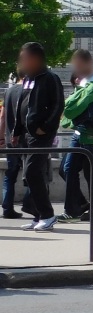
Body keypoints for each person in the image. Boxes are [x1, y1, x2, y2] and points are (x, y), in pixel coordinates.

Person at [59, 49, 93, 223]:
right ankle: (74, 209)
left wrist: (82, 101)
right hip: (78, 132)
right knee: (66, 169)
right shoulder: (82, 81)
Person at [15, 42, 64, 232]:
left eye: (25, 57)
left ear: (36, 58)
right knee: (29, 175)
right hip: (26, 135)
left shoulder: (50, 78)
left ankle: (48, 215)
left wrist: (46, 127)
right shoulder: (28, 78)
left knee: (34, 172)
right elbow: (22, 104)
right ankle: (39, 216)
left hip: (40, 134)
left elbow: (58, 105)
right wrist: (17, 131)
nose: (22, 61)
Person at [1, 74, 27, 220]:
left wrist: (1, 137)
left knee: (10, 175)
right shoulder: (29, 91)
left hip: (10, 139)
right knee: (31, 172)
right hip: (25, 139)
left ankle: (7, 207)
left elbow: (2, 116)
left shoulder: (9, 91)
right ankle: (30, 204)